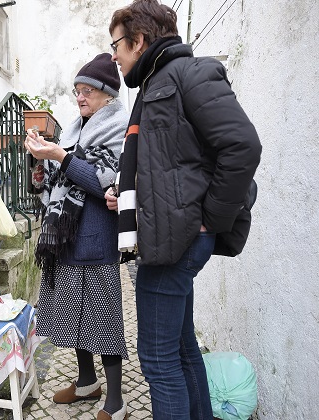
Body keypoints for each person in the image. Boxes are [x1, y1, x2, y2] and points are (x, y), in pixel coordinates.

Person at [105, 1, 262, 418]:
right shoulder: (155, 85)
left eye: (117, 44)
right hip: (168, 238)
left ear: (138, 40)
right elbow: (168, 167)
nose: (114, 55)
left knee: (157, 359)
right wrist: (125, 194)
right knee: (180, 346)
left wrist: (209, 221)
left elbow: (243, 146)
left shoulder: (189, 75)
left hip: (178, 241)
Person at [25, 53, 130, 420]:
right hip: (65, 238)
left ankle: (115, 402)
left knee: (102, 319)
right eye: (77, 91)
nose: (80, 97)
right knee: (73, 315)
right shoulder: (73, 128)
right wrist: (41, 161)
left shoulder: (118, 127)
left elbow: (105, 183)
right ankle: (87, 382)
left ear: (107, 96)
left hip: (97, 237)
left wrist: (62, 156)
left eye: (88, 91)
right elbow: (53, 182)